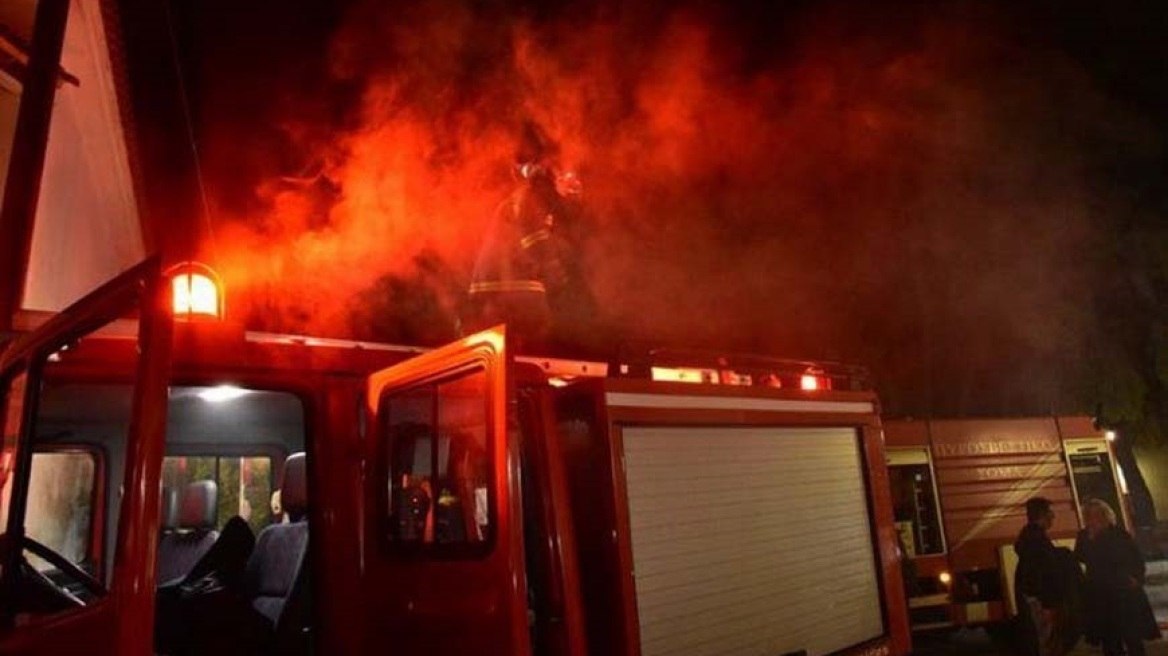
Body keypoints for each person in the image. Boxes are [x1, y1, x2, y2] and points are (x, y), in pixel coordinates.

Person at [1075, 498, 1160, 656]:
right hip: (1100, 592)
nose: (1092, 519)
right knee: (1109, 637)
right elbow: (1081, 557)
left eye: (1096, 515)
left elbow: (1135, 558)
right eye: (1089, 516)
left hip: (1122, 589)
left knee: (1131, 635)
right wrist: (1091, 541)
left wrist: (1136, 578)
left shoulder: (1119, 534)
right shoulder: (1084, 536)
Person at [1015, 497, 1066, 656]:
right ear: (1042, 514)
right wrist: (1048, 604)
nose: (1053, 516)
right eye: (1050, 512)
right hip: (1041, 601)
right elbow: (1043, 573)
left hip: (1036, 598)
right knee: (1046, 642)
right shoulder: (1037, 541)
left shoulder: (1029, 537)